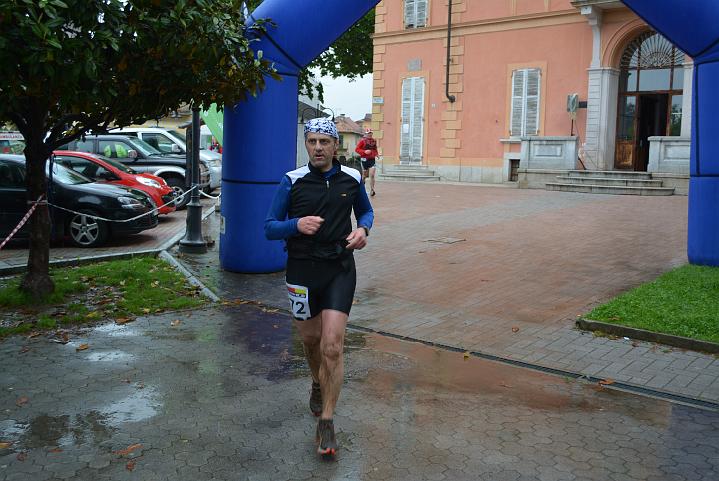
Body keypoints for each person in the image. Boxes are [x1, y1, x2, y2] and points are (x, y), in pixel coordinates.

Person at [264, 117, 374, 458]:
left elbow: (366, 213)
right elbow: (270, 227)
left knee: (332, 346)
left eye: (324, 142)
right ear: (306, 145)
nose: (317, 147)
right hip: (301, 271)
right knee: (311, 341)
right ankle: (317, 382)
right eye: (312, 141)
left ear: (335, 145)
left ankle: (327, 420)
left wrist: (363, 231)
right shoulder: (292, 180)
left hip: (339, 268)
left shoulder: (352, 177)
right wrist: (296, 224)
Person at [354, 128, 378, 196]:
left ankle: (372, 190)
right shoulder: (362, 141)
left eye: (371, 133)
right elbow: (357, 149)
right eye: (368, 133)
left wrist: (376, 154)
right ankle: (361, 187)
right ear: (366, 134)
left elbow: (375, 149)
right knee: (364, 176)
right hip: (364, 160)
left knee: (372, 175)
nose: (370, 134)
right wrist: (364, 151)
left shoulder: (374, 141)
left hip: (372, 160)